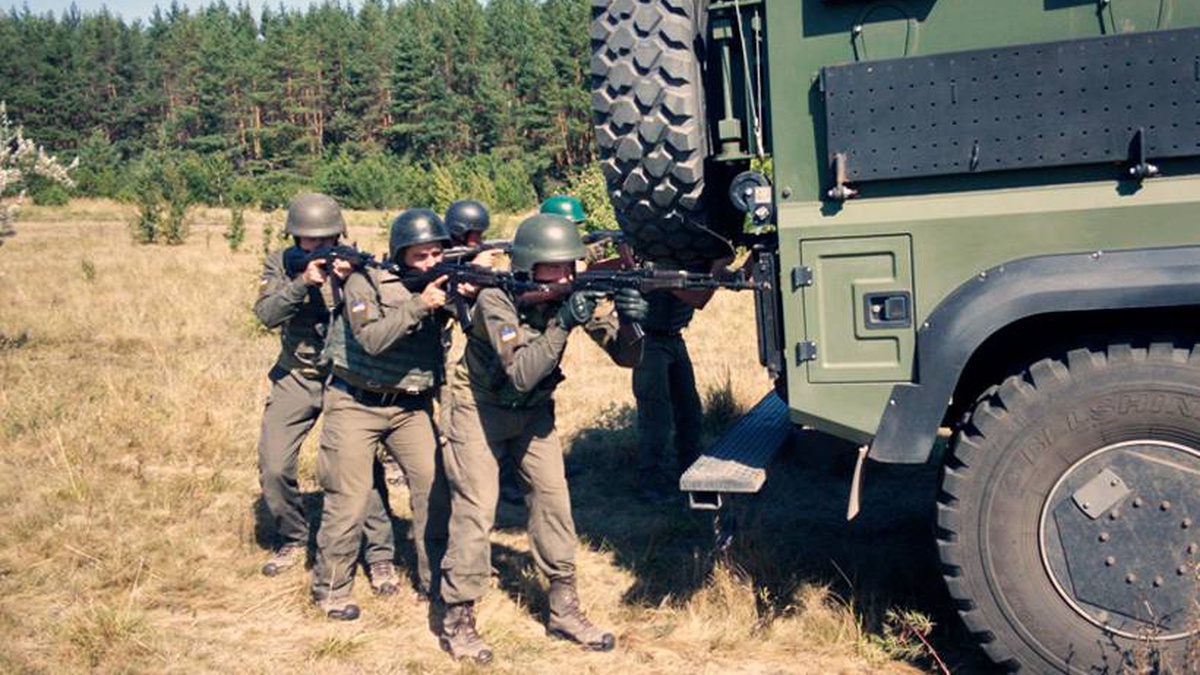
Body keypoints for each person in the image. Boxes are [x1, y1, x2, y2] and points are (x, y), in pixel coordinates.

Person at [438, 213, 649, 663]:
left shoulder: (569, 294)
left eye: (569, 265)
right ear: (528, 266)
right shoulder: (495, 298)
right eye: (554, 267)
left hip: (533, 411)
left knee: (553, 502)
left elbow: (626, 357)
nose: (565, 275)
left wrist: (632, 322)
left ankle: (564, 609)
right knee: (476, 509)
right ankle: (458, 617)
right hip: (479, 408)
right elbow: (520, 372)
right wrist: (563, 323)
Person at [310, 208, 460, 620]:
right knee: (347, 499)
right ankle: (332, 589)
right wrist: (420, 305)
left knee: (434, 491)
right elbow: (372, 340)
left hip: (410, 406)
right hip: (355, 401)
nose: (430, 263)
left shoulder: (443, 282)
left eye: (437, 254)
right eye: (420, 256)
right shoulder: (365, 281)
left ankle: (436, 581)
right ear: (400, 255)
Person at [253, 193, 395, 580]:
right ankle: (293, 536)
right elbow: (266, 314)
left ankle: (380, 553)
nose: (317, 246)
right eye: (308, 240)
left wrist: (346, 282)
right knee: (274, 465)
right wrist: (303, 282)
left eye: (326, 240)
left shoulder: (355, 265)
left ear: (339, 235)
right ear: (294, 238)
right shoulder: (281, 263)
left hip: (344, 379)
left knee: (361, 469)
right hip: (296, 376)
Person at [631, 258, 732, 501]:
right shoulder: (664, 264)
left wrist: (750, 260)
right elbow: (699, 300)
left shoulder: (695, 261)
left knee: (690, 410)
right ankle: (650, 482)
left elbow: (733, 277)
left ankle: (690, 471)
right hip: (649, 342)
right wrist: (718, 266)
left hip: (673, 338)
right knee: (656, 416)